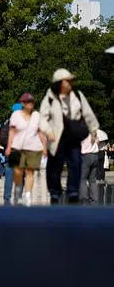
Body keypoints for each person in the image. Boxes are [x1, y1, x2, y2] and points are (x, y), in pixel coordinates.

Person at [39, 68, 100, 205]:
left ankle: (73, 191)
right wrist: (48, 131)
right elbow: (42, 118)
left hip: (73, 135)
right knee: (55, 166)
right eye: (68, 81)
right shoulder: (49, 97)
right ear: (59, 83)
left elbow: (88, 113)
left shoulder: (77, 95)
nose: (70, 84)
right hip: (56, 136)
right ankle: (55, 192)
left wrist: (93, 130)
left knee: (75, 162)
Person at [4, 92, 46, 207]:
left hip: (33, 148)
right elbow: (11, 132)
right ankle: (18, 192)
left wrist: (44, 147)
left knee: (29, 172)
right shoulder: (16, 115)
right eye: (28, 102)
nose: (30, 104)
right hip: (17, 148)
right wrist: (8, 147)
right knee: (18, 172)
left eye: (32, 102)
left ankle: (27, 196)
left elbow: (40, 132)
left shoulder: (37, 115)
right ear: (23, 103)